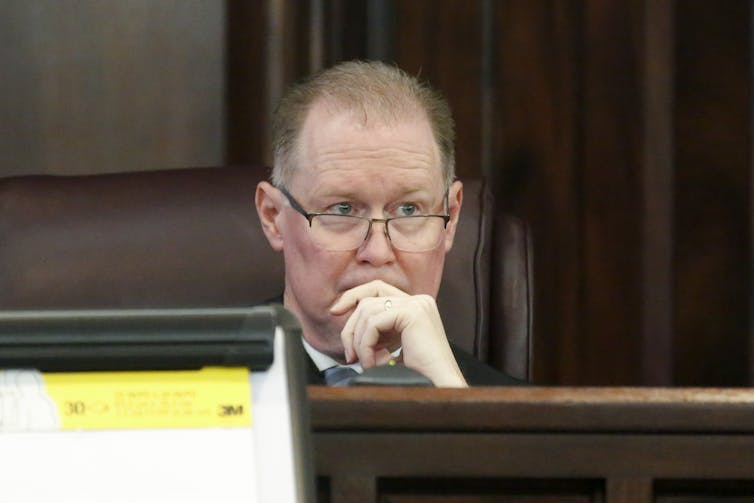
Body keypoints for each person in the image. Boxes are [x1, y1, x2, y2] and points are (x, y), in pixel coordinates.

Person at [255, 60, 519, 387]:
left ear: (450, 220)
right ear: (273, 217)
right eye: (343, 209)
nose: (378, 253)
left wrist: (453, 406)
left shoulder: (515, 420)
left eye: (409, 210)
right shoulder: (189, 391)